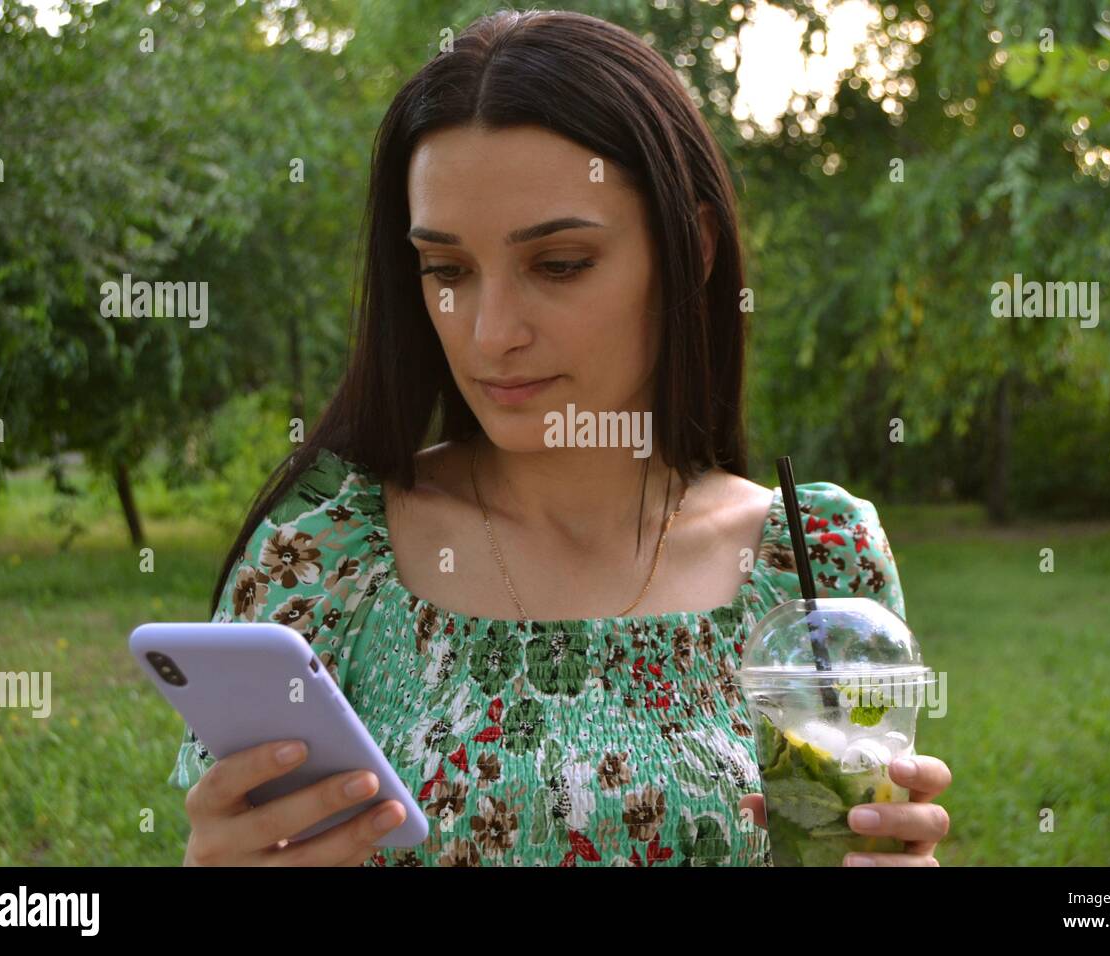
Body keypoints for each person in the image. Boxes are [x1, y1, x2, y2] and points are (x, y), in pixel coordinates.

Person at [168, 7, 951, 867]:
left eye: (559, 264)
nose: (490, 332)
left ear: (689, 251)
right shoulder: (323, 557)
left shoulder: (818, 564)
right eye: (447, 271)